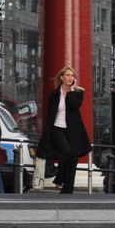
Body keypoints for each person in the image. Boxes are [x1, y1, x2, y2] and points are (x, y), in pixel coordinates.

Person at [38, 66, 92, 194]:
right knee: (66, 150)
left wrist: (72, 91)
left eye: (72, 76)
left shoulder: (78, 93)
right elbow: (50, 113)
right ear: (61, 77)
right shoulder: (54, 95)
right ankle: (59, 178)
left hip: (73, 131)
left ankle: (67, 191)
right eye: (67, 75)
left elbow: (74, 105)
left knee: (73, 159)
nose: (70, 78)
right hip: (57, 128)